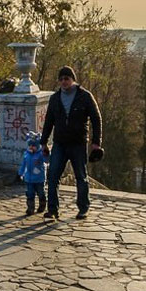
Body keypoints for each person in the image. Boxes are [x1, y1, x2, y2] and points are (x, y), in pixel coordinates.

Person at [40, 65, 103, 222]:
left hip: (78, 143)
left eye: (66, 78)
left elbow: (96, 119)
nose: (63, 82)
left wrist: (96, 143)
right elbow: (48, 121)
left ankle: (83, 208)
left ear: (72, 79)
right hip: (60, 143)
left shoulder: (85, 96)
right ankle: (53, 209)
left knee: (81, 176)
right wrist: (43, 142)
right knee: (53, 176)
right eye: (61, 79)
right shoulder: (55, 98)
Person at [17, 132, 49, 216]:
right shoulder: (26, 154)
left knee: (41, 193)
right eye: (30, 145)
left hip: (39, 178)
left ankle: (42, 205)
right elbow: (23, 165)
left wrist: (46, 153)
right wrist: (20, 173)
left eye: (33, 146)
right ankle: (30, 208)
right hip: (29, 178)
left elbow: (47, 160)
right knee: (30, 194)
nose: (31, 147)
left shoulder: (40, 154)